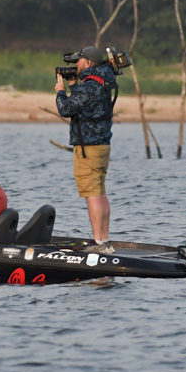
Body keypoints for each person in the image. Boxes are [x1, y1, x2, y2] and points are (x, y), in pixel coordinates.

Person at [55, 45, 117, 253]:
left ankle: (98, 243)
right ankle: (105, 241)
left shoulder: (91, 85)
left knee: (92, 193)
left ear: (89, 62)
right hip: (102, 146)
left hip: (88, 148)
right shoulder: (103, 79)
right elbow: (88, 103)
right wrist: (74, 85)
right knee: (100, 192)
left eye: (79, 62)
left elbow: (66, 109)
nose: (76, 66)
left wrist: (61, 91)